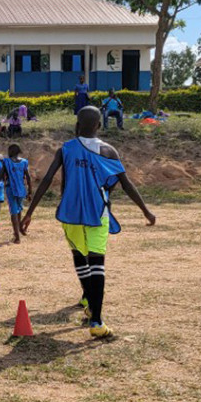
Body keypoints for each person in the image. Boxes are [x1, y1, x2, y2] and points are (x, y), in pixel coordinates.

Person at [21, 106, 157, 339]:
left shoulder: (66, 149)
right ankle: (96, 321)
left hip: (71, 212)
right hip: (97, 212)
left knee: (80, 258)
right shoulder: (108, 151)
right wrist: (146, 211)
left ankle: (89, 301)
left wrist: (29, 213)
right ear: (99, 125)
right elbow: (125, 183)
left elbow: (47, 180)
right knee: (97, 263)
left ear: (77, 125)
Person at [1, 144, 32, 244]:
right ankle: (18, 231)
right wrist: (30, 191)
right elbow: (28, 177)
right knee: (18, 210)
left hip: (11, 189)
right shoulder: (24, 162)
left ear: (10, 152)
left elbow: (1, 174)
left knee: (13, 212)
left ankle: (17, 236)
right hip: (21, 189)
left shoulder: (7, 162)